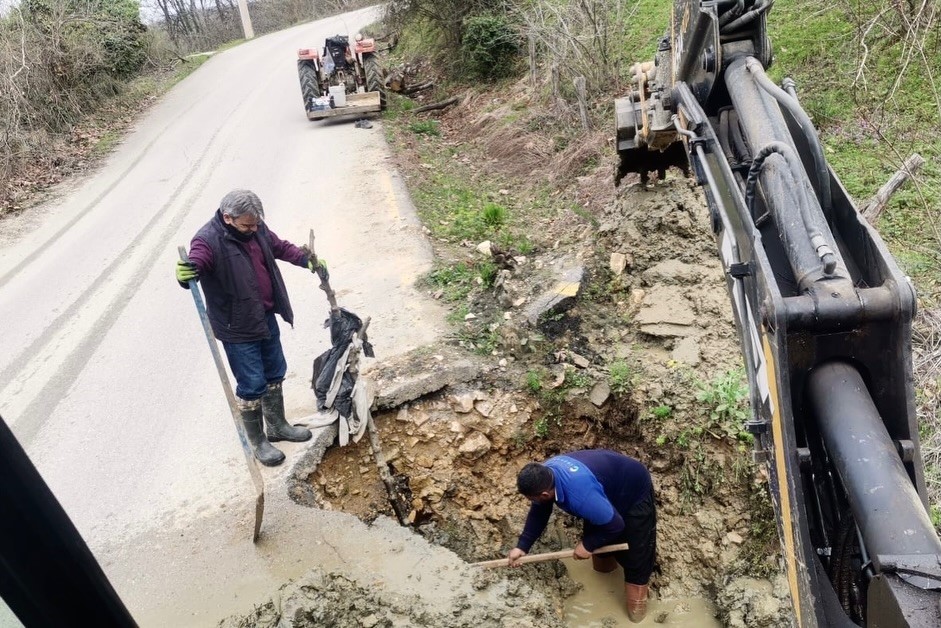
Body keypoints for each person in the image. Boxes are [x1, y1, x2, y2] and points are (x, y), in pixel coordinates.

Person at [175, 189, 328, 467]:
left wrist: (306, 260)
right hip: (237, 326)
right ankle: (258, 442)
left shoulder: (256, 228)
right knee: (252, 383)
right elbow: (196, 264)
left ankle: (278, 426)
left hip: (264, 314)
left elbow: (278, 246)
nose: (254, 229)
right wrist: (186, 274)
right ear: (228, 218)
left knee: (274, 372)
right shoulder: (207, 240)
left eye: (256, 223)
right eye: (248, 225)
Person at [508, 449, 657, 623]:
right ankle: (605, 574)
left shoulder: (580, 495)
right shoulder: (545, 476)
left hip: (632, 489)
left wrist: (587, 545)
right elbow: (539, 512)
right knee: (599, 544)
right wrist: (522, 547)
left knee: (637, 556)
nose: (532, 502)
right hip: (602, 488)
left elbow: (615, 525)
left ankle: (637, 616)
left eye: (532, 499)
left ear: (544, 494)